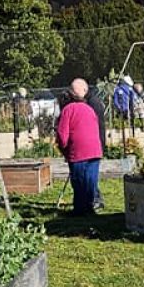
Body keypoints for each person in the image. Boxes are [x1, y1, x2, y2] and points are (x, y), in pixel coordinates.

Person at [56, 79, 103, 216]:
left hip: (78, 152)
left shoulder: (68, 110)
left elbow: (62, 134)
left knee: (78, 182)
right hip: (94, 151)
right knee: (90, 181)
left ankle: (80, 209)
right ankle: (89, 207)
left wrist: (64, 149)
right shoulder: (90, 109)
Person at [84, 85, 108, 209]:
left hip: (95, 141)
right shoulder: (94, 101)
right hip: (96, 140)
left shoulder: (92, 103)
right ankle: (93, 197)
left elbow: (97, 124)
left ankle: (96, 198)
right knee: (90, 174)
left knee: (91, 174)